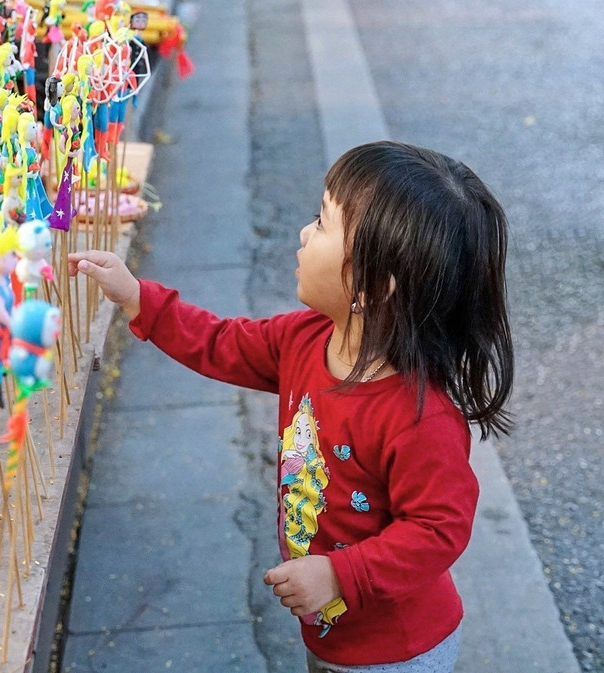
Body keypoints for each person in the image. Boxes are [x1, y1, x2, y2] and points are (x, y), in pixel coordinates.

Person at [68, 141, 514, 673]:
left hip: (396, 650)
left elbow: (437, 530)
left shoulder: (419, 417)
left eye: (322, 223)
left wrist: (339, 575)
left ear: (373, 284)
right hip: (330, 630)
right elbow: (221, 343)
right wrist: (137, 297)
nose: (304, 233)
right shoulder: (304, 339)